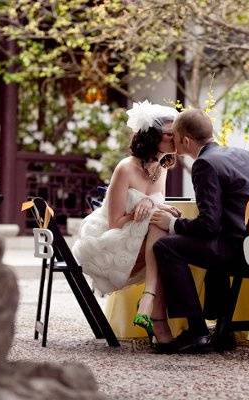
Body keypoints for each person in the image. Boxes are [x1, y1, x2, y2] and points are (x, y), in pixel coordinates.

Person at [150, 108, 249, 353]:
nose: (173, 142)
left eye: (174, 137)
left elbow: (209, 226)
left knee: (166, 246)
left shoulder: (205, 164)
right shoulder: (245, 155)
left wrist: (172, 224)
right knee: (218, 247)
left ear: (185, 140)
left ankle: (197, 332)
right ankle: (224, 330)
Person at [72, 100, 180, 347]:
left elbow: (154, 207)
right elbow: (114, 223)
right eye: (168, 135)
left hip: (142, 243)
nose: (174, 140)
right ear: (152, 136)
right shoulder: (125, 168)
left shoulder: (161, 169)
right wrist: (144, 210)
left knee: (166, 235)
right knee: (159, 227)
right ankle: (154, 313)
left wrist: (156, 206)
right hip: (110, 243)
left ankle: (151, 309)